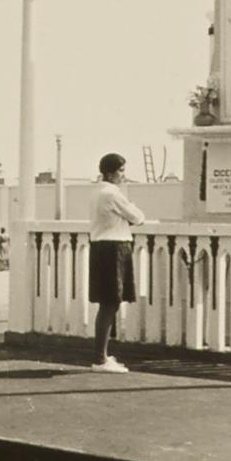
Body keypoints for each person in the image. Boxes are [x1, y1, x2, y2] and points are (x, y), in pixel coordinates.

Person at [88, 152, 145, 373]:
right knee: (110, 303)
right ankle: (99, 359)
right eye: (121, 170)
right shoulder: (112, 193)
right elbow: (138, 217)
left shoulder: (97, 192)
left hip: (101, 247)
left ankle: (101, 355)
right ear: (110, 173)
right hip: (113, 249)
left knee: (108, 303)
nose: (123, 175)